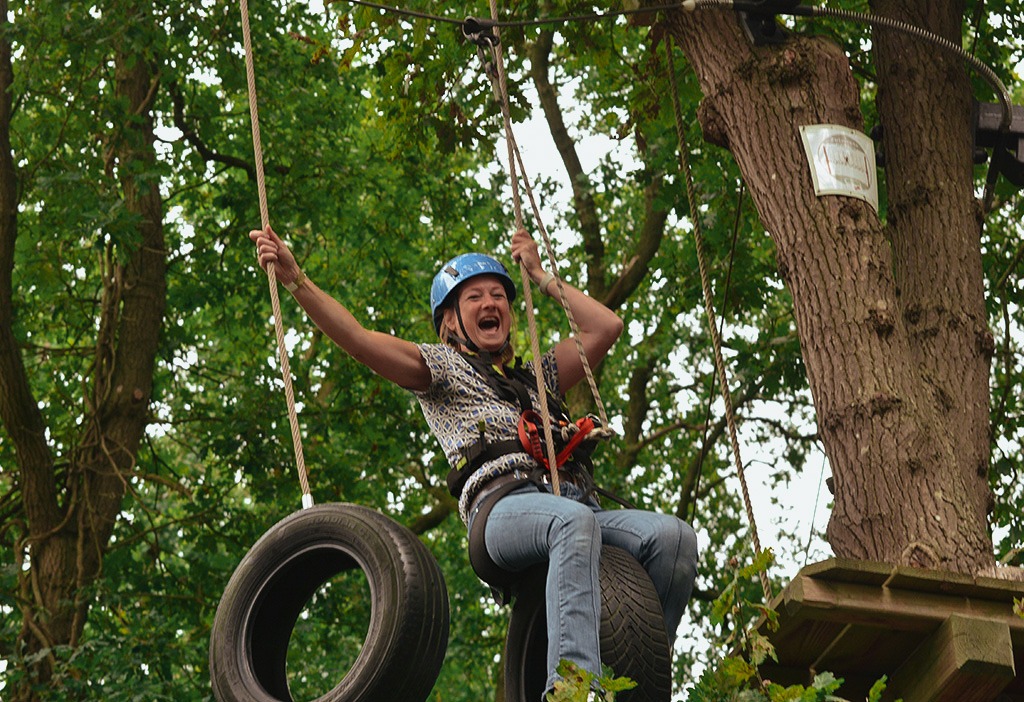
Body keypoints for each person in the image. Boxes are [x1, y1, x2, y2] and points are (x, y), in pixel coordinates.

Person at [251, 224, 698, 698]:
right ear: (449, 322)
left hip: (576, 509)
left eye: (499, 295)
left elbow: (605, 327)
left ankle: (639, 686)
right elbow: (359, 339)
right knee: (572, 524)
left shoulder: (537, 379)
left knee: (673, 539)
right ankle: (570, 688)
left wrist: (540, 275)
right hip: (502, 511)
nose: (491, 304)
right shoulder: (441, 369)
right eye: (474, 298)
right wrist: (297, 281)